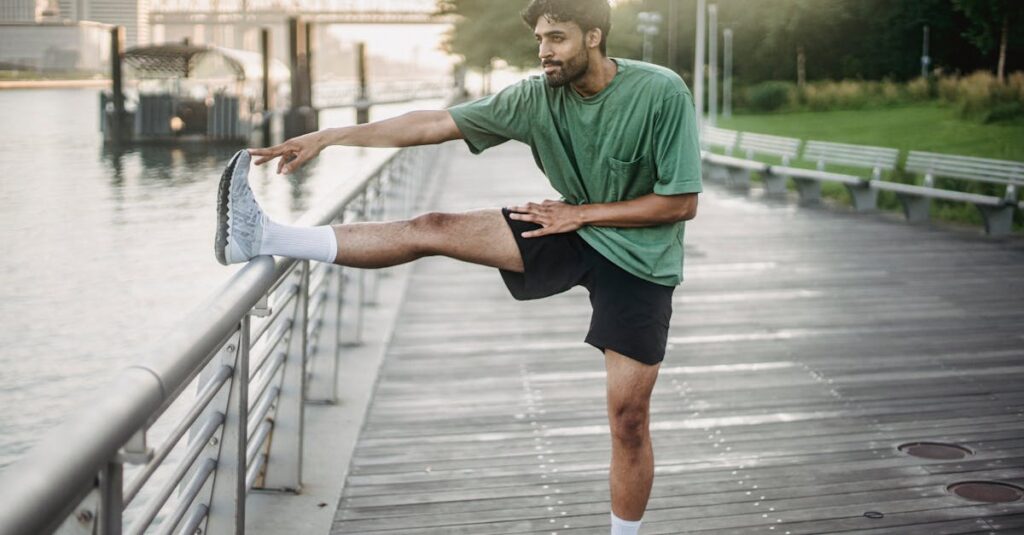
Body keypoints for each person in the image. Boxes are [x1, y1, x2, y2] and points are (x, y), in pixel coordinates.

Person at [215, 1, 701, 532]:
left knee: (627, 420)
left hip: (639, 256)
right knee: (433, 227)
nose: (544, 52)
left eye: (557, 38)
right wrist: (329, 136)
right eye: (539, 39)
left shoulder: (660, 92)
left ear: (593, 37)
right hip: (569, 226)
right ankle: (264, 236)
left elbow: (679, 204)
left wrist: (581, 214)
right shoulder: (535, 97)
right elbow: (431, 124)